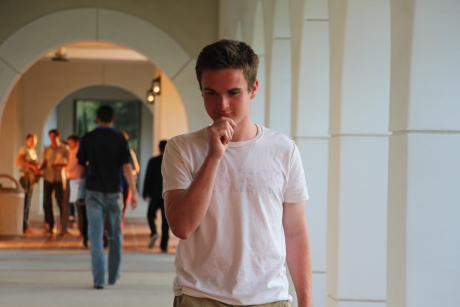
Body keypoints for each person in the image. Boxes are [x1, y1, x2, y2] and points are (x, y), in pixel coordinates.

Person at [162, 39, 313, 307]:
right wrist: (213, 157)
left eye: (233, 93)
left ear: (253, 89)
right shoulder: (181, 148)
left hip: (269, 298)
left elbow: (296, 232)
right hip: (200, 297)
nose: (222, 105)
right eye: (211, 93)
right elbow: (181, 226)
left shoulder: (283, 149)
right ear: (201, 91)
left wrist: (306, 301)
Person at [76, 104, 138, 289]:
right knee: (114, 236)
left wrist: (77, 188)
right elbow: (127, 168)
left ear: (97, 118)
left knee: (94, 235)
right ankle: (113, 275)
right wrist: (134, 193)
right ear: (113, 119)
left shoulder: (87, 138)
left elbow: (80, 168)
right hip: (114, 193)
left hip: (93, 192)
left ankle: (99, 279)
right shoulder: (119, 139)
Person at [40, 129, 69, 235]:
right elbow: (44, 162)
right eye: (50, 137)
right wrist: (39, 169)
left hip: (59, 179)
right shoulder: (47, 149)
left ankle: (64, 226)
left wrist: (58, 165)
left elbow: (68, 163)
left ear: (58, 137)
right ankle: (52, 226)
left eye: (54, 137)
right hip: (48, 178)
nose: (52, 139)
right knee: (48, 203)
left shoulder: (64, 149)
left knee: (61, 203)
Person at [143, 140, 169, 251]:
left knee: (150, 214)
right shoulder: (171, 161)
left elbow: (148, 177)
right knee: (165, 221)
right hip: (167, 194)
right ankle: (164, 246)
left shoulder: (153, 161)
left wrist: (145, 192)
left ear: (159, 148)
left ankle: (153, 232)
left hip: (155, 193)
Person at [15, 133, 41, 234]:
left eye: (34, 141)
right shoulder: (24, 149)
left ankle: (25, 225)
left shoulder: (33, 151)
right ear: (27, 141)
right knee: (25, 202)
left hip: (31, 178)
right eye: (30, 141)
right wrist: (31, 166)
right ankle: (23, 226)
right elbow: (18, 161)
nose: (32, 143)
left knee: (28, 202)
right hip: (25, 177)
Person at [118, 130, 140, 229]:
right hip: (123, 184)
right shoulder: (127, 151)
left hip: (121, 184)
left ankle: (110, 235)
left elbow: (135, 168)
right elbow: (136, 168)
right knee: (121, 210)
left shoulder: (128, 152)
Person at [65, 134, 80, 227]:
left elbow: (70, 165)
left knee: (71, 200)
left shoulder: (74, 151)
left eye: (71, 143)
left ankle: (71, 219)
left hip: (73, 177)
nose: (69, 145)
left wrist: (65, 168)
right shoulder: (77, 151)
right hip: (76, 177)